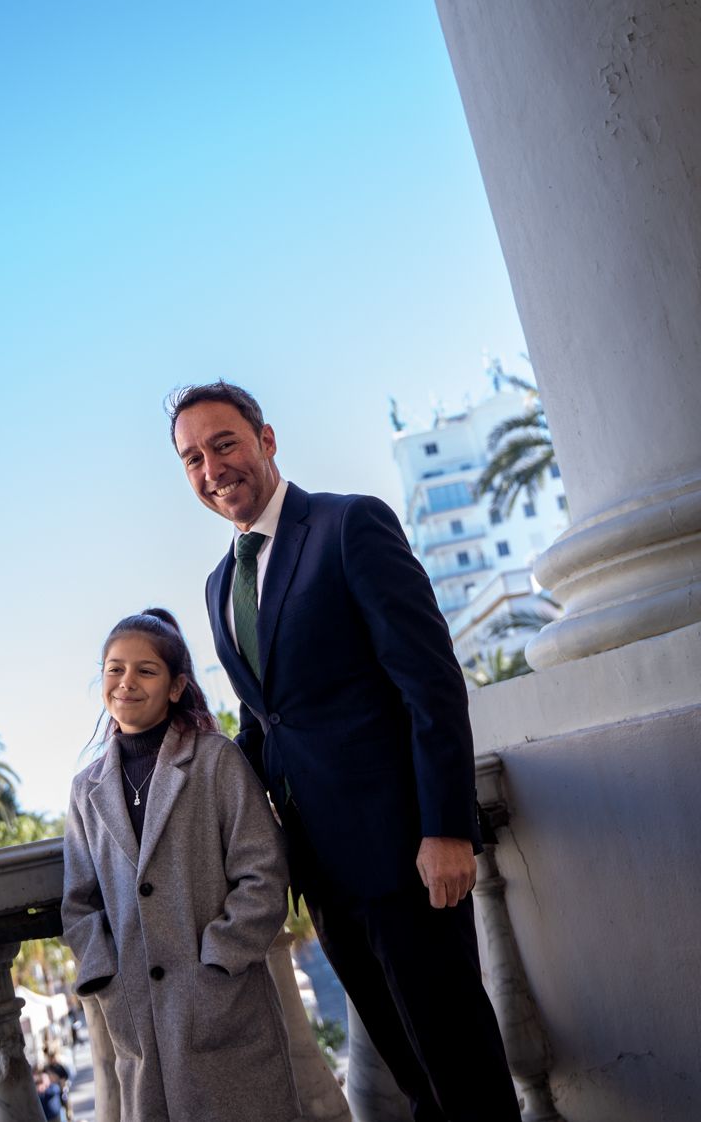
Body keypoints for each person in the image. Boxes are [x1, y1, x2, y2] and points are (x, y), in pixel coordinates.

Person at [169, 380, 519, 1122]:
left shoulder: (348, 524)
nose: (212, 469)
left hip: (408, 855)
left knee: (464, 1073)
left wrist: (447, 829)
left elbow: (430, 684)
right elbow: (264, 723)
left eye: (224, 444)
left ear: (266, 440)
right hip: (323, 875)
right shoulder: (219, 586)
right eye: (193, 458)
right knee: (416, 1082)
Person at [61, 609, 301, 1122]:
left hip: (225, 1009)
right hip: (138, 1027)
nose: (127, 681)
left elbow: (263, 872)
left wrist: (218, 962)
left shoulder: (215, 760)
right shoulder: (86, 790)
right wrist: (109, 985)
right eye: (114, 669)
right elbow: (79, 904)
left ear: (175, 687)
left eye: (146, 670)